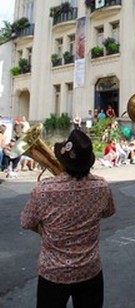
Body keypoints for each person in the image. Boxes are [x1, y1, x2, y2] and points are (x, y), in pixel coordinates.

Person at [20, 129, 115, 308]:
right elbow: (109, 212)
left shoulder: (44, 189)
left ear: (63, 161)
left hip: (53, 273)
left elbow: (26, 222)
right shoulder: (102, 186)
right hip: (89, 270)